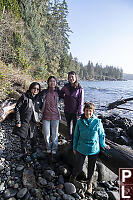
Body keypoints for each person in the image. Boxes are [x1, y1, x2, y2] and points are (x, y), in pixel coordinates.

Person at [70, 102, 110, 194]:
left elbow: (101, 134)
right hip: (81, 148)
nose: (88, 113)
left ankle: (89, 183)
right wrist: (74, 147)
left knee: (91, 168)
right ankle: (72, 177)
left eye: (90, 111)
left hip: (93, 149)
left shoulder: (97, 122)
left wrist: (103, 144)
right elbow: (76, 135)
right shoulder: (79, 121)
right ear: (84, 111)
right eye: (87, 111)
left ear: (93, 112)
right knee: (78, 167)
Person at [13, 82, 41, 157]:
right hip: (24, 121)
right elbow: (17, 108)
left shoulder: (38, 98)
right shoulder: (24, 96)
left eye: (38, 89)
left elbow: (41, 108)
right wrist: (17, 121)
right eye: (34, 88)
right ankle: (24, 154)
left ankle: (33, 154)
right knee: (23, 138)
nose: (36, 90)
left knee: (33, 139)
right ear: (31, 88)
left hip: (33, 122)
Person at [60, 71, 84, 142]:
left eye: (72, 77)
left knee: (76, 127)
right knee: (69, 125)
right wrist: (65, 98)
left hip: (75, 111)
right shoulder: (66, 87)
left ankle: (76, 140)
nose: (71, 78)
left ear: (75, 78)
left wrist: (80, 112)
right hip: (67, 110)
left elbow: (81, 102)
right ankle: (69, 140)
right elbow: (61, 93)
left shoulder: (80, 88)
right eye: (69, 77)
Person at [41, 76, 60, 155]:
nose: (52, 83)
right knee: (46, 134)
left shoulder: (59, 92)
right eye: (51, 81)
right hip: (46, 116)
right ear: (48, 82)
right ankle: (48, 147)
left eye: (54, 81)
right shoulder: (44, 92)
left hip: (55, 116)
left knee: (55, 134)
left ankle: (54, 148)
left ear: (56, 83)